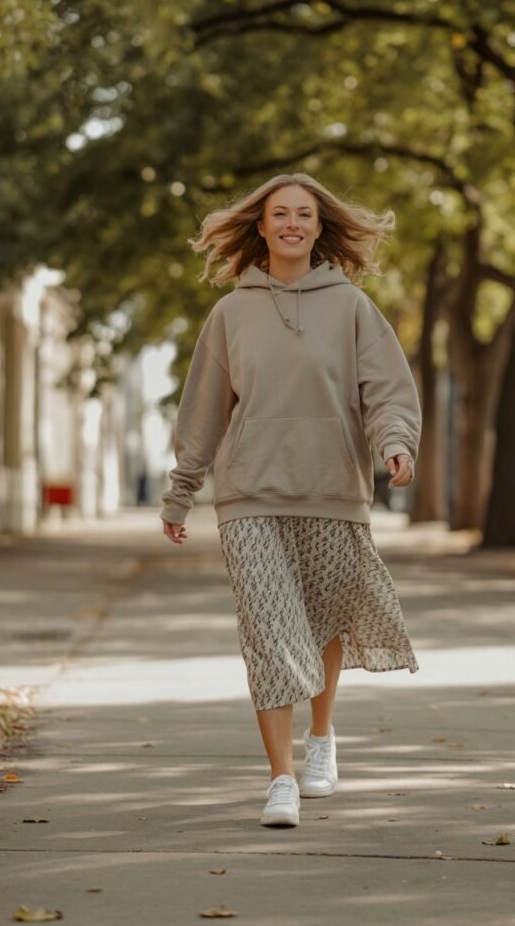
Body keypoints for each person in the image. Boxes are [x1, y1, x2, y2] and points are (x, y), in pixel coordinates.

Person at [160, 172, 421, 829]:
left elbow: (387, 387)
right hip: (249, 492)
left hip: (333, 487)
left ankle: (322, 738)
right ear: (262, 226)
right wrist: (181, 489)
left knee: (323, 618)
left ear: (318, 225)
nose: (292, 224)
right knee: (270, 628)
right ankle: (280, 781)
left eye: (304, 214)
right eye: (281, 214)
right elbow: (203, 411)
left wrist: (397, 443)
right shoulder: (231, 313)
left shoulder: (352, 307)